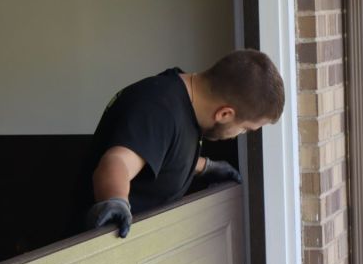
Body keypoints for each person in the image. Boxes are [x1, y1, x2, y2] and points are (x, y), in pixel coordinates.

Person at [80, 48, 285, 238]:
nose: (240, 134)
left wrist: (205, 167)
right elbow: (117, 162)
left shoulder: (186, 102)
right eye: (245, 128)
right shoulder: (159, 108)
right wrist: (116, 200)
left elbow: (162, 153)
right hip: (100, 252)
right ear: (225, 113)